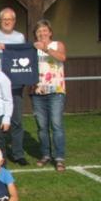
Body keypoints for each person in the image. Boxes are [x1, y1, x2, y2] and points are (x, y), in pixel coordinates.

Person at [0, 7, 28, 166]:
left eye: (10, 19)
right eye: (4, 19)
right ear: (0, 21)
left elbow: (24, 57)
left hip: (15, 83)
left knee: (16, 120)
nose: (7, 22)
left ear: (14, 21)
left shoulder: (20, 37)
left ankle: (18, 153)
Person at [31, 19, 68, 172]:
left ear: (50, 32)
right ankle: (45, 154)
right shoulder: (32, 48)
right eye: (39, 31)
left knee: (56, 125)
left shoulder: (57, 44)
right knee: (42, 127)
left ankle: (59, 158)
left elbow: (62, 57)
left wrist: (46, 49)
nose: (42, 33)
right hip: (37, 92)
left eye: (45, 30)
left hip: (56, 91)